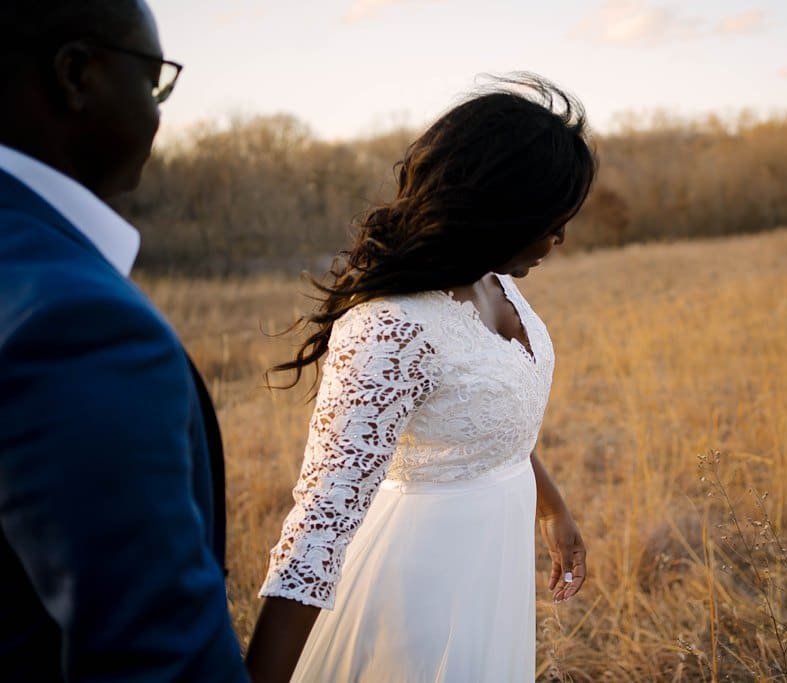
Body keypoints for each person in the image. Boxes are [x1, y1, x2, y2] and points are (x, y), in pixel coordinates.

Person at [245, 74, 596, 682]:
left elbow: (490, 416)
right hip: (421, 588)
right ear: (493, 208)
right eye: (548, 219)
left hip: (496, 560)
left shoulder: (497, 280)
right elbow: (320, 526)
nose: (558, 239)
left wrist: (553, 510)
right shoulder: (391, 328)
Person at [0, 1, 249, 680]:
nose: (160, 110)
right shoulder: (74, 320)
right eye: (154, 79)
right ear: (77, 75)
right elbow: (157, 659)